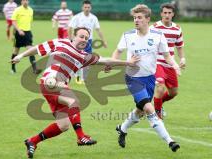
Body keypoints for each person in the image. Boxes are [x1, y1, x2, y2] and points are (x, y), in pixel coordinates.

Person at [11, 27, 140, 159]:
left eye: (86, 38)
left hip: (58, 89)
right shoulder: (60, 42)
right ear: (73, 36)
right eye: (81, 36)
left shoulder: (84, 56)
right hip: (49, 82)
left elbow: (106, 60)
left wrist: (127, 62)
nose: (84, 39)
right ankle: (81, 137)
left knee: (63, 125)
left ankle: (32, 141)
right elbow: (38, 48)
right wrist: (20, 55)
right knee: (73, 100)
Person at [108, 4, 180, 152]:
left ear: (147, 19)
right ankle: (170, 141)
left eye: (139, 18)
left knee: (140, 110)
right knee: (148, 108)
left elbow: (167, 56)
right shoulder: (128, 35)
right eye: (135, 17)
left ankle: (122, 128)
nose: (136, 20)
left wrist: (175, 65)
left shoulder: (158, 36)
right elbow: (118, 51)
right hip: (133, 78)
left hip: (149, 78)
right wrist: (112, 62)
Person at [150, 3, 186, 119]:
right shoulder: (154, 28)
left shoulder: (177, 29)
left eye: (169, 13)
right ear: (161, 14)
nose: (167, 15)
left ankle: (157, 106)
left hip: (170, 63)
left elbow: (179, 46)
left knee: (173, 93)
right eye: (165, 13)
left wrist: (182, 58)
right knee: (160, 87)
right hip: (157, 63)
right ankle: (157, 117)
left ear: (173, 14)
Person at [68, 0, 107, 84]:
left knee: (87, 60)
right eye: (85, 7)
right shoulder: (77, 17)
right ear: (82, 8)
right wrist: (70, 39)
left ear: (91, 8)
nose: (87, 9)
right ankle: (77, 76)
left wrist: (103, 41)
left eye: (88, 7)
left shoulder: (93, 18)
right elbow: (70, 27)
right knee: (77, 59)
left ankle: (84, 78)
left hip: (88, 42)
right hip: (78, 42)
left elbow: (98, 30)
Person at [10, 0, 41, 74]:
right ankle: (13, 68)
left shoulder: (31, 10)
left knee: (31, 50)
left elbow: (30, 21)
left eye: (26, 0)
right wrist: (19, 30)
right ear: (21, 2)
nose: (25, 2)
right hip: (19, 32)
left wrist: (27, 30)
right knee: (16, 51)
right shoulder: (17, 10)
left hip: (28, 32)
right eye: (24, 0)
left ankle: (35, 69)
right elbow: (13, 21)